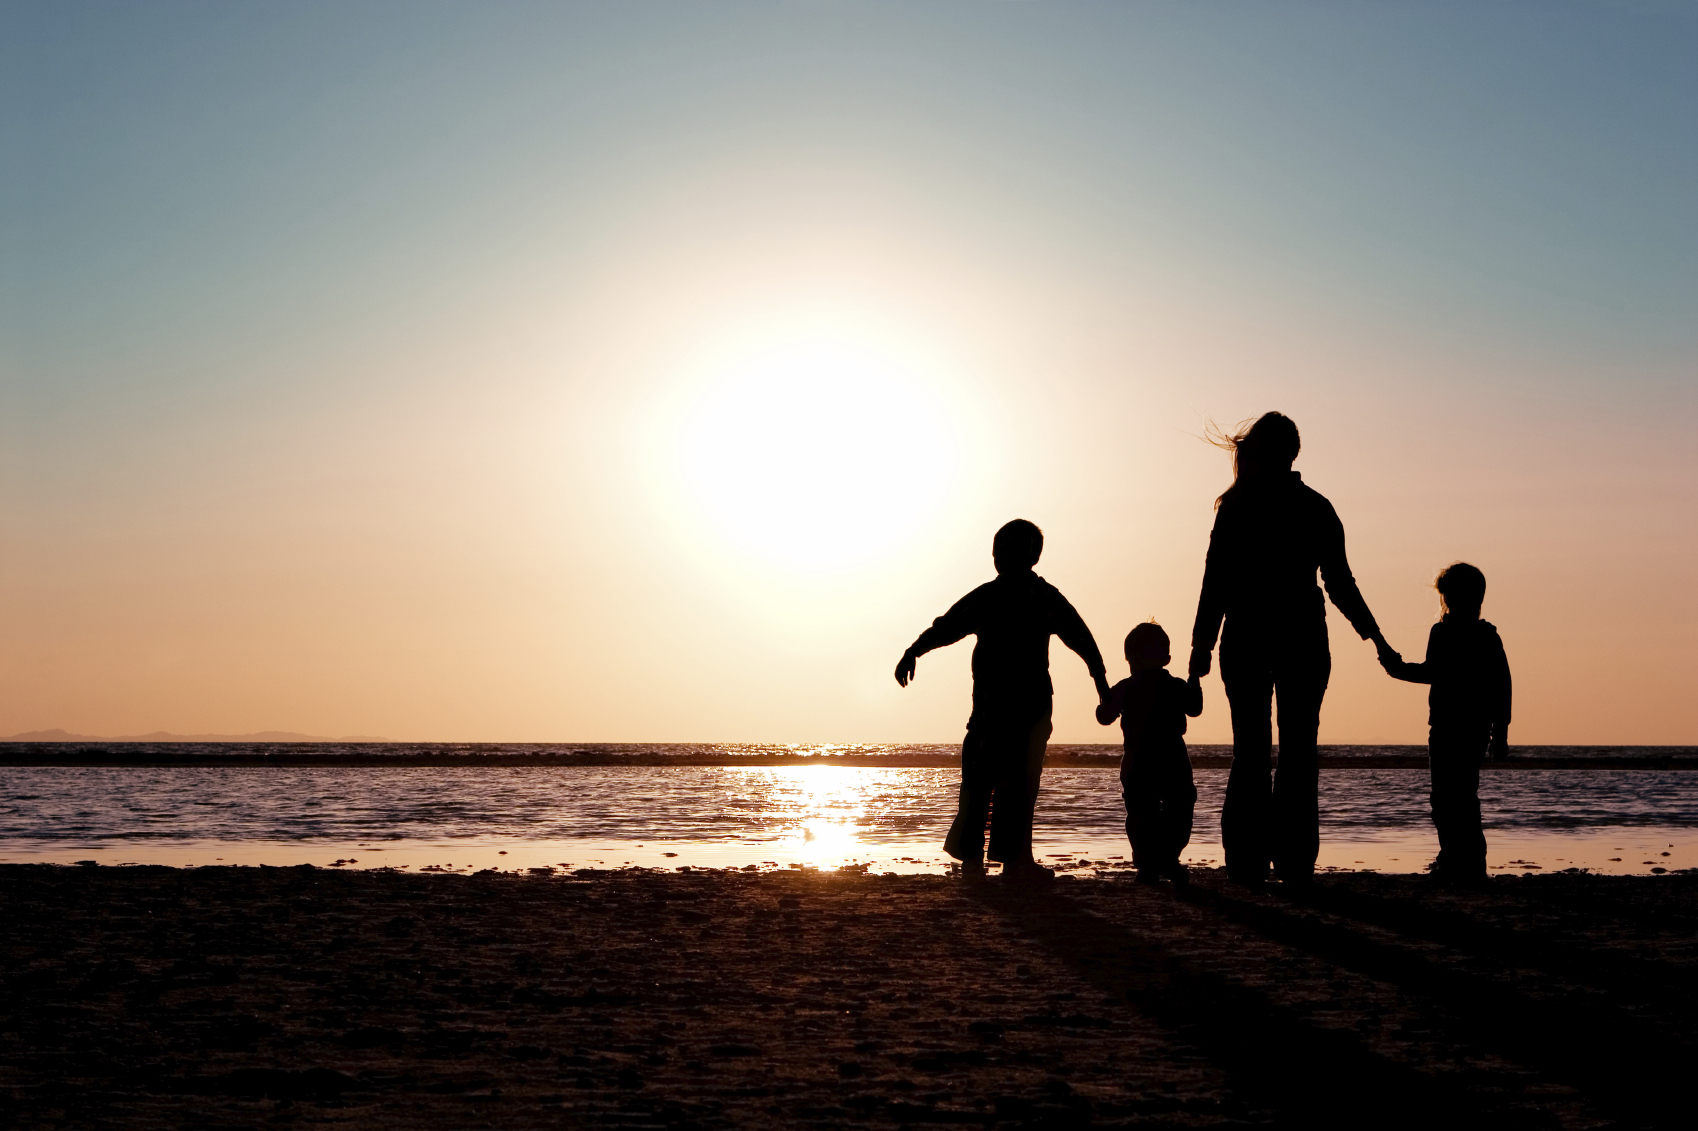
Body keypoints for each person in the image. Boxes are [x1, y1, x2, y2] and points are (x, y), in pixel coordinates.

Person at [1188, 412, 1389, 887]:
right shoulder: (1313, 506)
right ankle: (1293, 863)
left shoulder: (1238, 506)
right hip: (1300, 639)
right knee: (1298, 753)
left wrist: (1202, 645)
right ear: (1294, 452)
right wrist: (1375, 636)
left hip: (1250, 639)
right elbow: (1340, 584)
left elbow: (1215, 580)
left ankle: (1247, 863)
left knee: (1252, 753)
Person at [895, 519, 1110, 883]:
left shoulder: (1044, 598)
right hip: (989, 707)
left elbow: (1082, 639)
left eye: (1018, 546)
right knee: (978, 781)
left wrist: (1102, 687)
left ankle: (1015, 861)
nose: (1007, 554)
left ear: (1034, 555)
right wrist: (913, 650)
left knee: (1022, 781)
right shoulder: (988, 596)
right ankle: (973, 862)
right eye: (1002, 547)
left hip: (1031, 706)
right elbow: (947, 626)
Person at [1377, 562, 1512, 886]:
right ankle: (1465, 862)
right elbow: (1502, 686)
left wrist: (1397, 669)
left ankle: (1457, 861)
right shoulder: (1486, 636)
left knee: (1449, 798)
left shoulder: (1447, 633)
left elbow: (1433, 672)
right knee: (1462, 796)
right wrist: (1500, 730)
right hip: (1471, 728)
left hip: (1450, 728)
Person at [1096, 620, 1203, 887]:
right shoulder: (1176, 686)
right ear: (1167, 658)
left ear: (1129, 658)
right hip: (1172, 759)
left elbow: (1104, 716)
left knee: (1141, 812)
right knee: (1178, 808)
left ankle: (1149, 862)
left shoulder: (1126, 686)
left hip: (1138, 760)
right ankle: (1165, 858)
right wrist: (1194, 679)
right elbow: (1195, 707)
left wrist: (1103, 692)